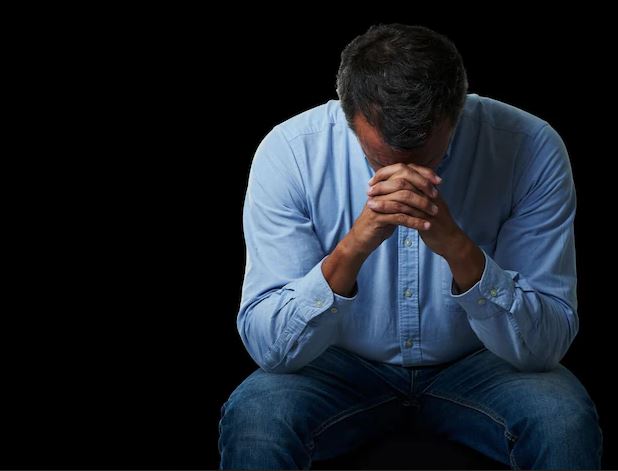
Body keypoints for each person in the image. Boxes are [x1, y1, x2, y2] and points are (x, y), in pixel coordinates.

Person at [218, 24, 602, 469]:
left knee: (562, 420)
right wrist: (354, 247)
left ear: (458, 111)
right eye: (380, 160)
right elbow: (270, 347)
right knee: (258, 417)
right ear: (348, 113)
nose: (404, 178)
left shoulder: (529, 147)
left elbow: (546, 345)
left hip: (482, 363)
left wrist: (457, 247)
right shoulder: (290, 153)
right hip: (337, 365)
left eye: (428, 160)